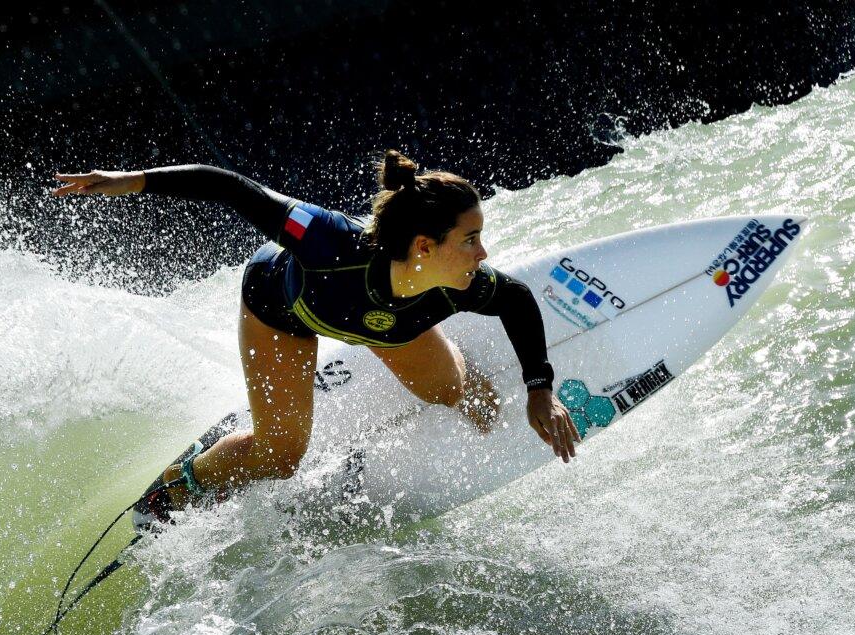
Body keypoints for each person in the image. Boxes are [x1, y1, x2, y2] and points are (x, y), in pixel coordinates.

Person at [53, 150, 578, 524]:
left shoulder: (461, 283)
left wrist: (539, 388)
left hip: (394, 322)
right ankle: (177, 489)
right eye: (470, 239)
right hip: (285, 311)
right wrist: (135, 180)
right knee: (280, 456)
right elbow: (233, 188)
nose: (482, 254)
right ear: (424, 243)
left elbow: (516, 299)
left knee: (462, 394)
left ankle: (449, 364)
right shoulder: (328, 242)